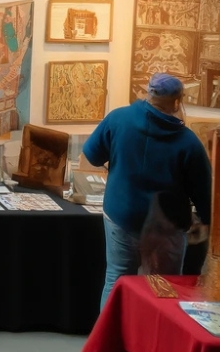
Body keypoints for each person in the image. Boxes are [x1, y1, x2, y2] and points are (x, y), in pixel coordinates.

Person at [82, 73, 211, 307]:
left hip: (122, 215)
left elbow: (92, 155)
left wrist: (116, 163)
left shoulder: (118, 119)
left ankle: (108, 342)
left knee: (117, 279)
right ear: (177, 101)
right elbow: (204, 193)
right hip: (166, 227)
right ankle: (156, 341)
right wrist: (206, 221)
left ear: (148, 93)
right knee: (163, 286)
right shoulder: (188, 142)